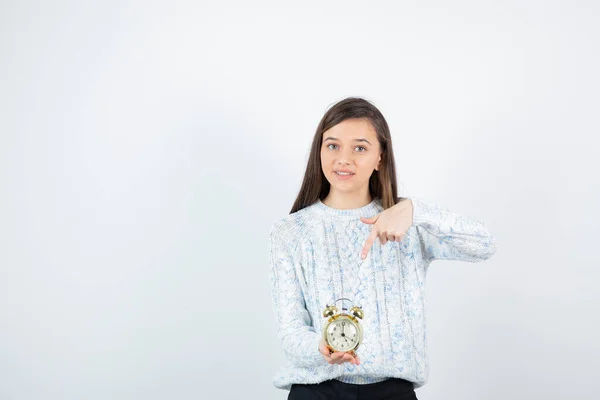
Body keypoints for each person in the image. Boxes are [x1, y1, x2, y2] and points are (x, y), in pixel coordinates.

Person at [268, 97, 498, 400]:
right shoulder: (290, 232)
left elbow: (484, 245)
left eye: (360, 148)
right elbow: (291, 332)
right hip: (316, 391)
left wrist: (414, 210)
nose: (343, 159)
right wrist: (320, 348)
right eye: (333, 145)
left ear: (380, 157)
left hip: (392, 391)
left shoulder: (406, 223)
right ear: (319, 150)